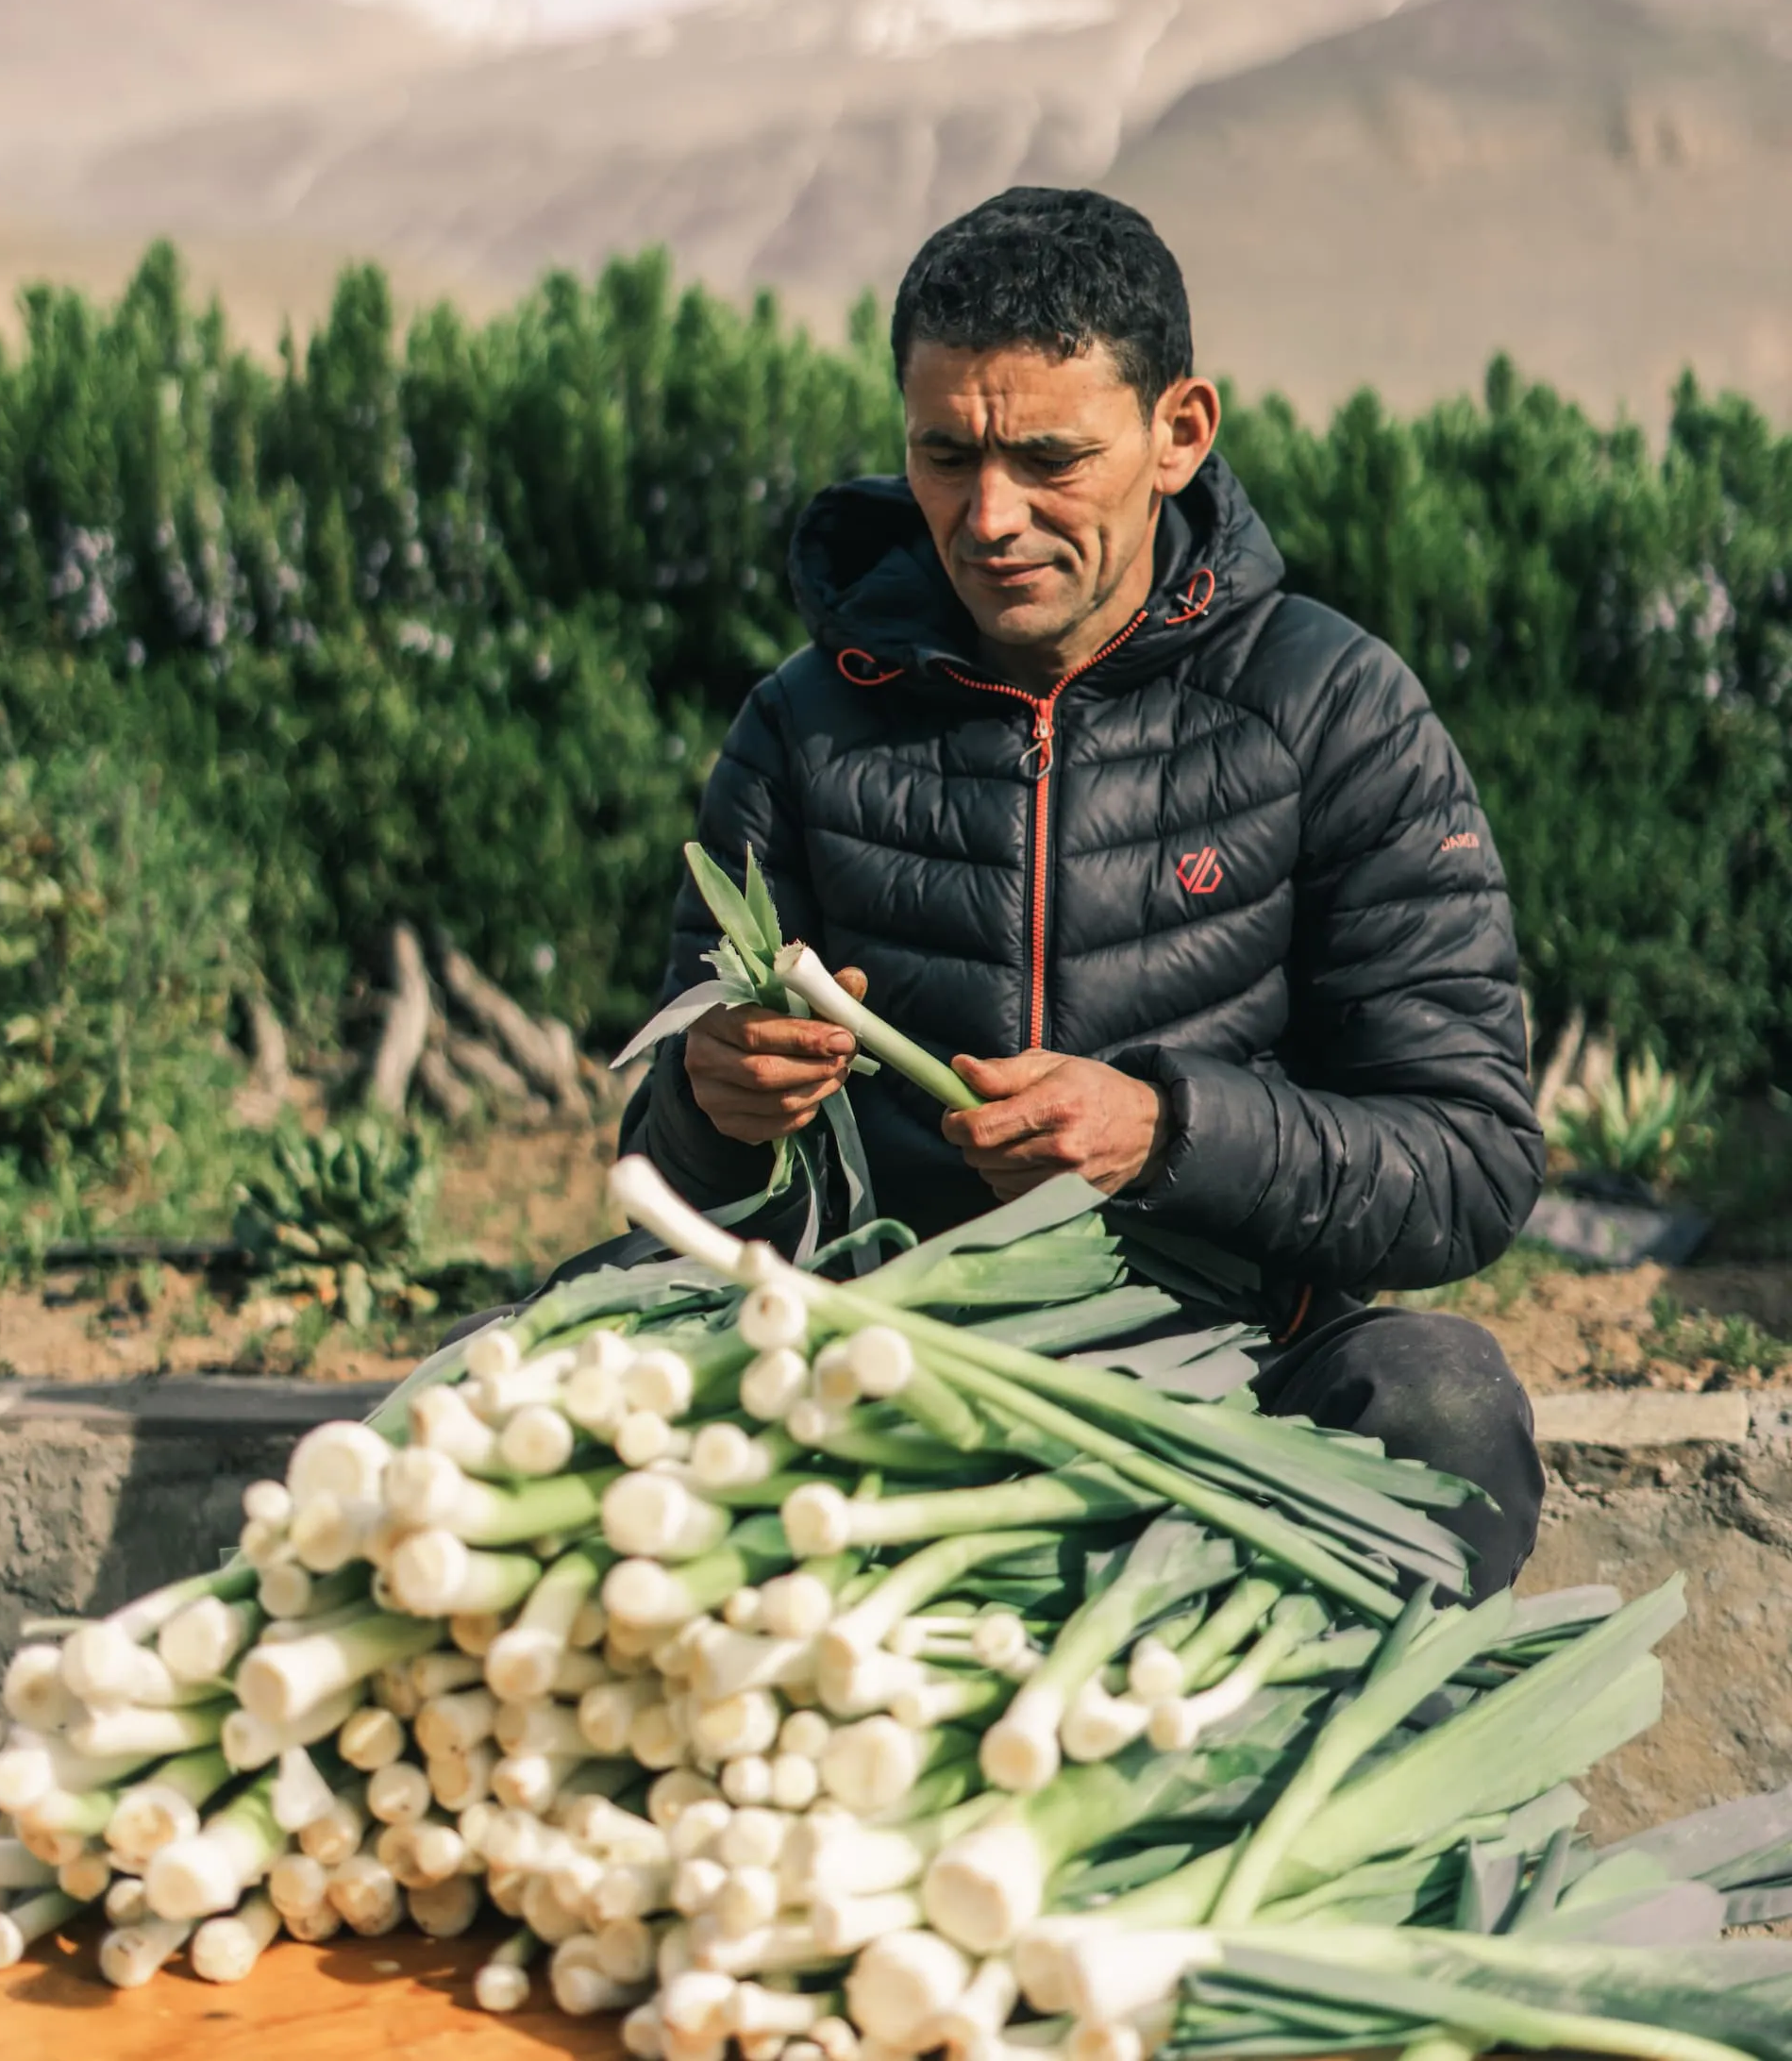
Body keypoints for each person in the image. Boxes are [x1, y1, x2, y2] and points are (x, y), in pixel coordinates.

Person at [621, 186, 1546, 1598]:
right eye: (946, 457)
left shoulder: (1331, 709)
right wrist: (714, 1103)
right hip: (878, 1367)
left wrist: (1165, 1133)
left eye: (1052, 459)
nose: (989, 518)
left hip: (1231, 1370)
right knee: (546, 1354)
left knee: (1438, 1402)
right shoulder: (807, 726)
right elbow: (676, 1173)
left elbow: (1469, 1158)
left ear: (1181, 433)